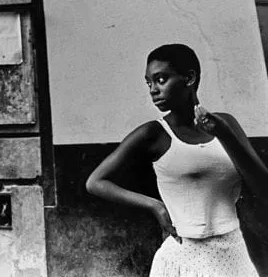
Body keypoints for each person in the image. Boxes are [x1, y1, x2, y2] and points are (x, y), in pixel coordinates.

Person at [86, 44, 268, 276]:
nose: (153, 90)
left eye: (161, 80)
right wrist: (155, 206)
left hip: (233, 254)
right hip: (182, 257)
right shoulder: (153, 133)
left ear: (189, 78)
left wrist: (224, 134)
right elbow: (95, 182)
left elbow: (264, 189)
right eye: (149, 83)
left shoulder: (225, 124)